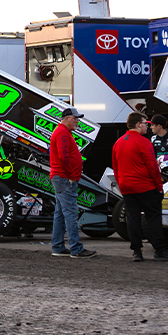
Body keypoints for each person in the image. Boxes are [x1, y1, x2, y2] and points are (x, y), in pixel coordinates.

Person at [112, 112, 168, 262]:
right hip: (145, 185)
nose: (147, 126)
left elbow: (116, 167)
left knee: (133, 217)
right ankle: (160, 250)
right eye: (145, 123)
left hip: (127, 186)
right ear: (138, 124)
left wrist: (121, 183)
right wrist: (159, 185)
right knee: (153, 217)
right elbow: (153, 166)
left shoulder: (119, 142)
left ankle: (137, 251)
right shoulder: (143, 142)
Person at [50, 107, 96, 258]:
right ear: (67, 118)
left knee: (60, 213)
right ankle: (76, 248)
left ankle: (57, 246)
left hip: (61, 177)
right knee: (70, 213)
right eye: (75, 118)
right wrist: (71, 175)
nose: (77, 121)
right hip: (64, 177)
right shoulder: (63, 132)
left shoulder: (62, 131)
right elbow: (64, 157)